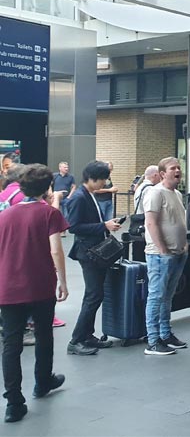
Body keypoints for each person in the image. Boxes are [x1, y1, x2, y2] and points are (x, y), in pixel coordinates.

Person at [0, 164, 69, 423]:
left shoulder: (5, 215)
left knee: (11, 344)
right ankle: (42, 382)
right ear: (48, 188)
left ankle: (14, 402)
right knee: (43, 335)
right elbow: (55, 250)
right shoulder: (48, 213)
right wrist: (62, 280)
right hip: (40, 285)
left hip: (8, 286)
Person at [67, 161, 122, 356]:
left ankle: (87, 335)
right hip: (88, 252)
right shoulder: (80, 197)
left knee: (95, 295)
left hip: (95, 250)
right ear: (91, 178)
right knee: (93, 295)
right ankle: (76, 340)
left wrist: (105, 225)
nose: (105, 183)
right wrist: (103, 226)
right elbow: (73, 226)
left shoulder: (88, 195)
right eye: (103, 180)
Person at [142, 157, 189, 356]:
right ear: (162, 174)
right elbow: (151, 222)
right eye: (173, 168)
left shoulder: (176, 194)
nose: (177, 171)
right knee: (156, 296)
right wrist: (161, 248)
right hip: (160, 255)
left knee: (167, 296)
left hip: (177, 252)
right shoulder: (155, 193)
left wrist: (184, 244)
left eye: (178, 167)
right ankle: (153, 340)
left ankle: (165, 333)